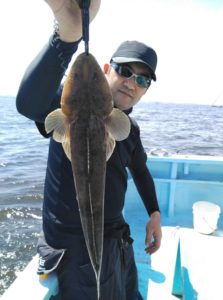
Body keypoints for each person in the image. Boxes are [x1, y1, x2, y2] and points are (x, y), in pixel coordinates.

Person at [16, 0, 162, 299]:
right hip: (73, 245)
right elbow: (28, 103)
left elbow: (141, 170)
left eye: (142, 79)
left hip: (116, 239)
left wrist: (155, 213)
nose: (131, 83)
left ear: (145, 89)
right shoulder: (63, 107)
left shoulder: (129, 130)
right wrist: (67, 38)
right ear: (107, 70)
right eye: (124, 70)